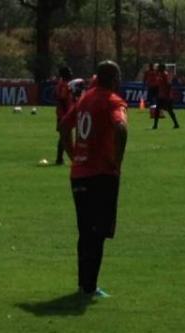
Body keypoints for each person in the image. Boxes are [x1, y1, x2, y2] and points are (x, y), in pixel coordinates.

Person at [59, 60, 128, 297]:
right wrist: (117, 161)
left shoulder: (84, 99)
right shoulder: (112, 101)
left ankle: (83, 284)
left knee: (85, 232)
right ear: (113, 80)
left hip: (79, 174)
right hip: (101, 174)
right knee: (97, 233)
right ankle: (90, 287)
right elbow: (121, 128)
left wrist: (73, 155)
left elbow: (63, 127)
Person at [54, 66, 73, 165]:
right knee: (64, 136)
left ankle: (60, 158)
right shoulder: (63, 85)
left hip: (62, 113)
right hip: (64, 114)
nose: (71, 74)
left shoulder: (61, 84)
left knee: (64, 136)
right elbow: (62, 99)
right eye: (69, 72)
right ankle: (60, 159)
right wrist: (66, 114)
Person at [152, 63, 180, 129]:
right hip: (161, 95)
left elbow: (169, 84)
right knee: (157, 110)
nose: (157, 69)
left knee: (169, 110)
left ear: (161, 68)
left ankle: (176, 124)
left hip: (165, 96)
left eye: (158, 68)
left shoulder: (165, 74)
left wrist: (168, 95)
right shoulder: (160, 75)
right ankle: (155, 125)